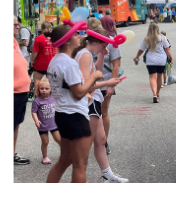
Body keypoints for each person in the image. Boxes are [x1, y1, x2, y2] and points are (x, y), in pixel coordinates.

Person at [44, 24, 107, 182]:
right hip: (75, 116)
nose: (79, 36)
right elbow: (79, 93)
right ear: (66, 41)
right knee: (80, 165)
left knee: (65, 160)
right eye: (75, 35)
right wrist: (94, 77)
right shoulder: (69, 63)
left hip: (62, 114)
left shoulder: (55, 61)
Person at [76, 20, 129, 182]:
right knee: (87, 144)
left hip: (94, 100)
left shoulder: (88, 54)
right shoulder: (84, 55)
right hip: (89, 102)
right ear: (97, 42)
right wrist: (108, 83)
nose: (105, 48)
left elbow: (96, 71)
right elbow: (87, 85)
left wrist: (101, 55)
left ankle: (108, 175)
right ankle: (80, 177)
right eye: (103, 45)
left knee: (100, 139)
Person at [134, 22, 172, 103]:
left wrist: (137, 57)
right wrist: (171, 58)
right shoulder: (163, 38)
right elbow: (167, 49)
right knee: (159, 77)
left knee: (152, 77)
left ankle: (154, 94)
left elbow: (141, 50)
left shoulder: (146, 38)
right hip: (161, 59)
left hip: (150, 60)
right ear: (157, 29)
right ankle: (158, 93)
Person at [99, 26, 120, 155]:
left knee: (103, 112)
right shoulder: (86, 42)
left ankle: (104, 142)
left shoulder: (112, 42)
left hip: (106, 82)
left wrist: (112, 85)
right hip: (88, 84)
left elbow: (116, 65)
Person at [31, 77, 61, 165]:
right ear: (38, 89)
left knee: (59, 139)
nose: (44, 90)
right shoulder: (37, 101)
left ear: (51, 89)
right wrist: (36, 121)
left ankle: (65, 154)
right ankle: (44, 157)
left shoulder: (53, 98)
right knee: (45, 141)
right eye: (42, 88)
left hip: (54, 124)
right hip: (42, 125)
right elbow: (34, 112)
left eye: (46, 88)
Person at [14, 18, 31, 166]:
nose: (18, 27)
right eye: (14, 25)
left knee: (16, 124)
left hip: (21, 92)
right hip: (13, 93)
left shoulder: (13, 42)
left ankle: (12, 153)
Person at [30, 21, 56, 86]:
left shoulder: (39, 38)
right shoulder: (55, 38)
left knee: (37, 85)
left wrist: (32, 61)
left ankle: (36, 95)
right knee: (52, 86)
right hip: (52, 65)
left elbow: (35, 52)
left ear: (42, 29)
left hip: (40, 65)